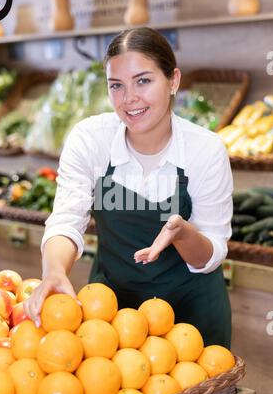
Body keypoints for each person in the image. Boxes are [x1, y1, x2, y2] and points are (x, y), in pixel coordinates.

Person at [25, 27, 233, 348]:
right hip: (111, 310)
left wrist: (183, 233)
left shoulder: (204, 149)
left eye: (143, 80)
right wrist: (54, 270)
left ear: (173, 80)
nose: (129, 98)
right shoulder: (90, 139)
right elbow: (66, 220)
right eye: (116, 86)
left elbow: (213, 251)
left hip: (191, 316)